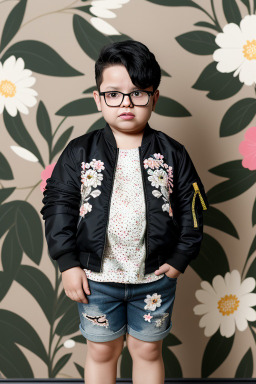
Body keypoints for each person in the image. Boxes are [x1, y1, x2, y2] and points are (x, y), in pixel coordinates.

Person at [41, 40, 209, 384]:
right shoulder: (79, 152)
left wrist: (180, 258)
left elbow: (192, 207)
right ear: (98, 98)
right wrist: (67, 263)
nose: (127, 103)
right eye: (114, 94)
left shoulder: (172, 153)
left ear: (154, 97)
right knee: (102, 350)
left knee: (148, 351)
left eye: (138, 93)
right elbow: (58, 206)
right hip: (96, 279)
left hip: (154, 278)